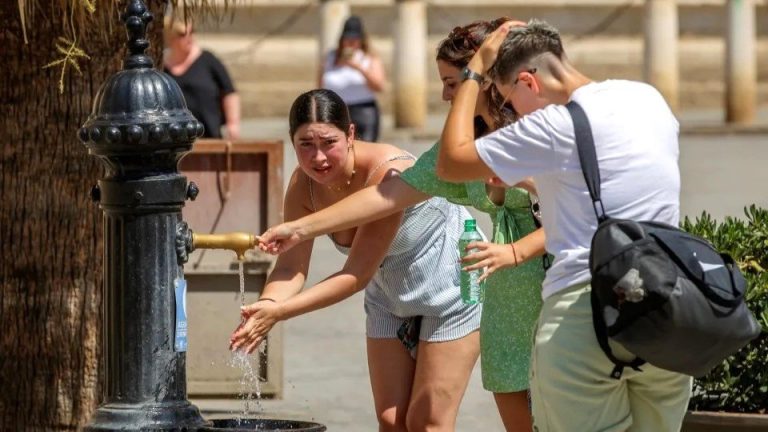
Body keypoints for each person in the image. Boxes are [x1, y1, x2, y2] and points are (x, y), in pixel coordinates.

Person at [258, 19, 546, 432]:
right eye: (305, 145)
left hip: (486, 285)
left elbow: (578, 212)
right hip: (489, 292)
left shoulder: (538, 131)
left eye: (453, 83)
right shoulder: (459, 150)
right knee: (395, 422)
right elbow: (386, 198)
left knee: (434, 421)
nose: (446, 95)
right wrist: (299, 233)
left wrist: (515, 249)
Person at [436, 19, 693, 432]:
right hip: (667, 305)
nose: (511, 113)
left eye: (508, 99)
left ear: (528, 82)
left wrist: (474, 71)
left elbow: (451, 161)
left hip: (584, 310)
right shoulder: (647, 98)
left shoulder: (552, 126)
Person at [229, 88, 481, 432]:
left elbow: (356, 275)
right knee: (391, 421)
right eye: (305, 144)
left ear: (350, 134)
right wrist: (264, 309)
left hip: (452, 288)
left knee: (427, 422)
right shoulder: (305, 185)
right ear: (292, 141)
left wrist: (281, 313)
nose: (318, 158)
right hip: (389, 295)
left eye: (328, 142)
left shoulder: (385, 173)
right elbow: (290, 267)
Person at [163, 17, 241, 139]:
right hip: (175, 140)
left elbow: (229, 92)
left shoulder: (208, 60)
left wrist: (233, 124)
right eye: (183, 34)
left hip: (210, 137)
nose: (189, 38)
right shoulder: (162, 68)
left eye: (192, 31)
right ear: (170, 37)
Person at [319, 15, 386, 142]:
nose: (351, 42)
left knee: (365, 150)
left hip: (364, 111)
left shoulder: (369, 57)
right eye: (347, 38)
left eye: (355, 39)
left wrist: (358, 67)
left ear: (361, 40)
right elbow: (320, 87)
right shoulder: (330, 57)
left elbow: (379, 86)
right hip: (335, 110)